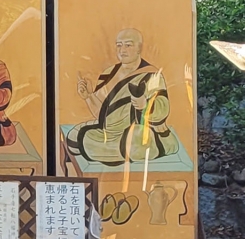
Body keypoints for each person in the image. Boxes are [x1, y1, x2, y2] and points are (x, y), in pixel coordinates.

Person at [65, 28, 177, 167]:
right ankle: (113, 149)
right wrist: (88, 97)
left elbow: (163, 109)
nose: (122, 50)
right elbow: (102, 116)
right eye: (119, 45)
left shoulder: (151, 75)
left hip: (140, 134)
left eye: (128, 45)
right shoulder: (109, 73)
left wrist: (145, 105)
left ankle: (133, 148)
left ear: (139, 48)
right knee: (73, 137)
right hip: (111, 134)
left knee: (135, 140)